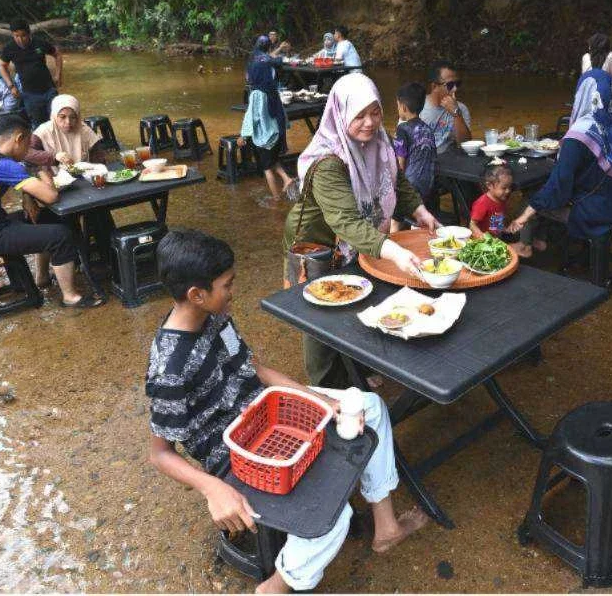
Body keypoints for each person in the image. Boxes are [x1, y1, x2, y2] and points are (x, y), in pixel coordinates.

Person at [147, 229, 428, 593]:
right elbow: (160, 454)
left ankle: (386, 526)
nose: (232, 292)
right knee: (332, 517)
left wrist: (324, 402)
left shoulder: (214, 317)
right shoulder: (169, 368)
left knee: (367, 406)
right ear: (196, 295)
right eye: (227, 285)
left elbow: (256, 370)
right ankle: (275, 586)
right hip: (234, 458)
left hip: (270, 413)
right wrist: (212, 488)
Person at [283, 73, 441, 386]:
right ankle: (328, 385)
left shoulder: (379, 140)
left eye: (375, 112)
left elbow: (396, 181)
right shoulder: (328, 161)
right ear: (340, 114)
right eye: (359, 115)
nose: (369, 123)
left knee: (362, 298)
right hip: (317, 244)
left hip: (359, 238)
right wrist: (393, 250)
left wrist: (419, 211)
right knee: (321, 313)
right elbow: (346, 221)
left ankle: (359, 367)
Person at [0, 114, 102, 308]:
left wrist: (27, 196)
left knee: (48, 217)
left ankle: (41, 278)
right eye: (27, 145)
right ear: (19, 138)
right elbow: (51, 196)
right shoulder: (2, 165)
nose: (27, 151)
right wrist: (41, 168)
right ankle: (70, 297)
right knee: (61, 235)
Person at [508, 69, 612, 241]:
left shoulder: (579, 134)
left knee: (529, 200)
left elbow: (559, 183)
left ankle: (525, 246)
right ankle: (541, 241)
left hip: (590, 213)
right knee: (546, 195)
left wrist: (524, 216)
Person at [24, 94, 113, 287]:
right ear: (54, 116)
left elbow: (99, 158)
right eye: (62, 117)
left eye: (73, 117)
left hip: (81, 187)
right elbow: (27, 154)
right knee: (56, 222)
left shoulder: (84, 130)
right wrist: (53, 156)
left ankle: (107, 260)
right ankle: (47, 272)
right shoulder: (43, 132)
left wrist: (93, 168)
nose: (68, 122)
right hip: (51, 187)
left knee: (100, 213)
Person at [240, 36, 297, 202]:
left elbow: (252, 117)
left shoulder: (257, 94)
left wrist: (243, 135)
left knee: (266, 168)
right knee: (273, 160)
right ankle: (287, 179)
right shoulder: (273, 91)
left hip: (267, 137)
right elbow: (283, 115)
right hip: (277, 132)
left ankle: (276, 200)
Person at [470, 163, 547, 258]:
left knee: (526, 221)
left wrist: (505, 229)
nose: (508, 191)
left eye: (509, 187)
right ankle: (521, 247)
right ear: (489, 185)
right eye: (504, 188)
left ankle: (528, 243)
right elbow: (472, 224)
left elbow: (495, 220)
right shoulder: (482, 203)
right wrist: (482, 237)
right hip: (485, 242)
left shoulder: (500, 199)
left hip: (497, 236)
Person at [0, 19, 62, 127]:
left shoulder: (39, 43)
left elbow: (57, 55)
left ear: (29, 33)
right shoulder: (10, 48)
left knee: (57, 120)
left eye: (23, 36)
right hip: (29, 93)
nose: (20, 39)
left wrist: (58, 75)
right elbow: (2, 65)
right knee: (38, 125)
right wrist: (11, 86)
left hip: (49, 89)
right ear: (13, 35)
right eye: (16, 36)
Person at [392, 82, 437, 210]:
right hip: (428, 184)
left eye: (397, 106)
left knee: (395, 217)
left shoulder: (402, 129)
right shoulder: (428, 129)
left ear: (403, 107)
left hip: (410, 185)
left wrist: (396, 186)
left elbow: (400, 163)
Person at [420, 60, 472, 153]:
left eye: (457, 84)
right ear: (434, 87)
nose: (455, 89)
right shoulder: (417, 107)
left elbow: (466, 145)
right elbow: (404, 143)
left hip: (450, 158)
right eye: (450, 85)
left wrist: (456, 114)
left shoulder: (461, 108)